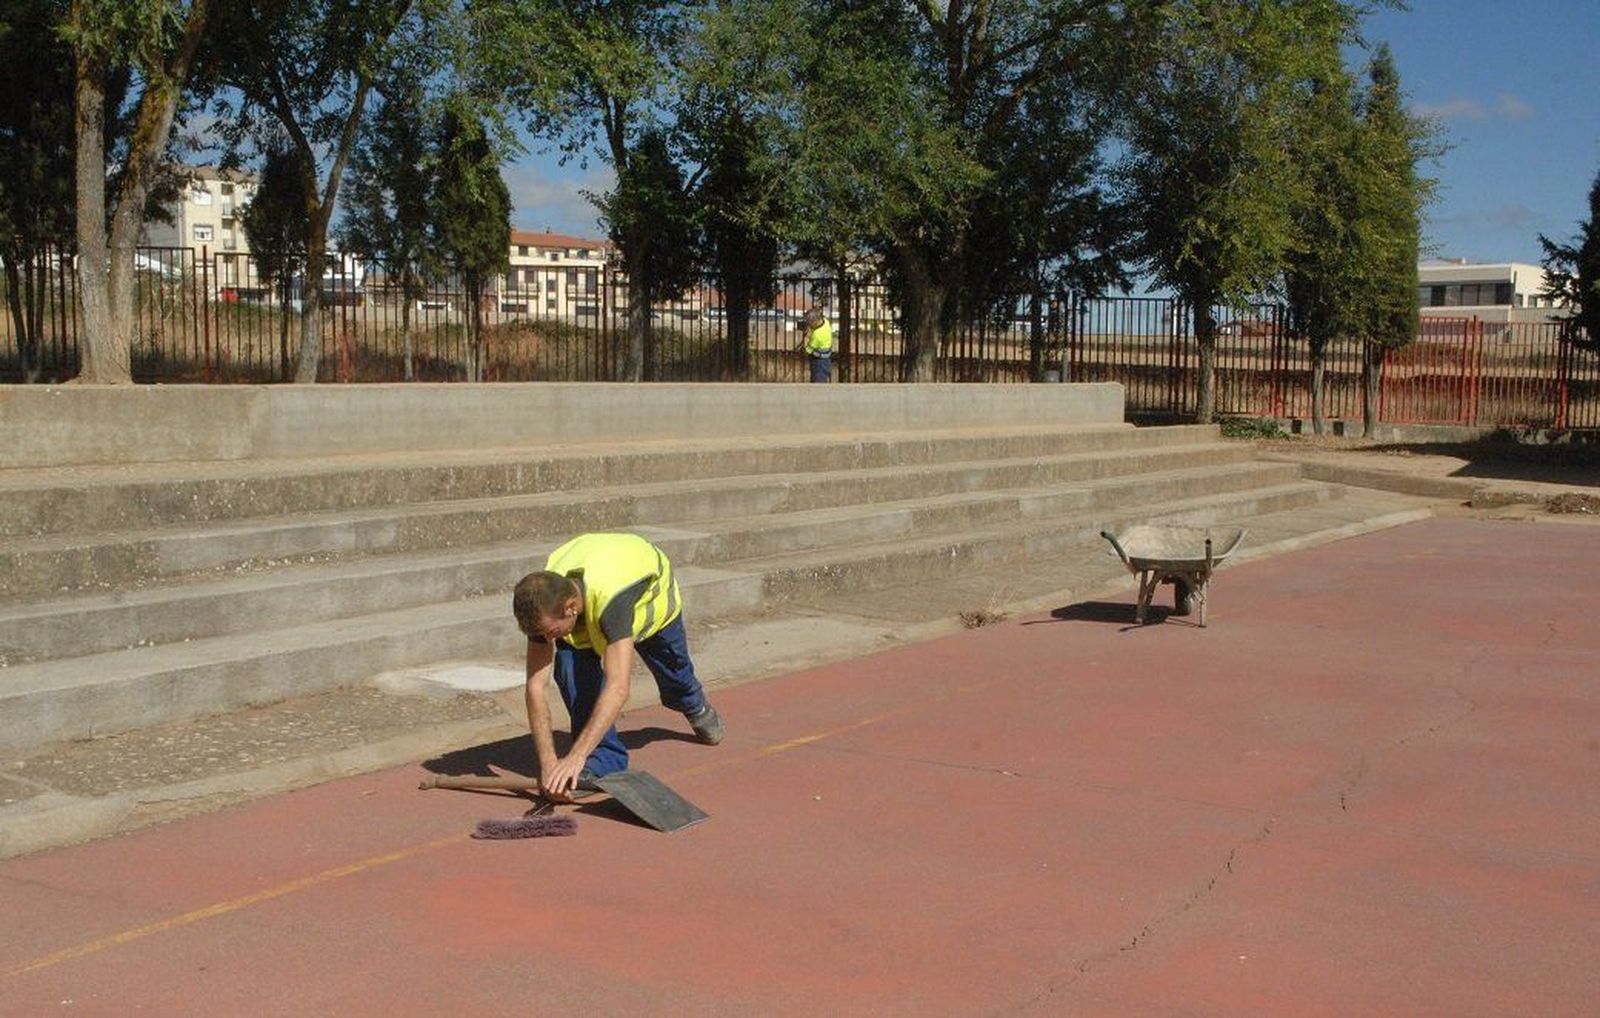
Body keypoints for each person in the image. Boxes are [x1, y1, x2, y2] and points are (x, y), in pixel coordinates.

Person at [512, 532, 724, 801]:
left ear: (570, 608)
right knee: (569, 669)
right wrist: (549, 763)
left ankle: (694, 704)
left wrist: (575, 756)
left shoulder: (612, 601)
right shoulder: (542, 605)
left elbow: (618, 687)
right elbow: (535, 688)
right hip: (595, 593)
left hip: (651, 605)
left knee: (676, 680)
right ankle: (604, 758)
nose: (546, 640)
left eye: (551, 632)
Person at [798, 307, 834, 383]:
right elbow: (814, 328)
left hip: (819, 362)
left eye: (809, 322)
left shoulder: (817, 336)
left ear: (814, 321)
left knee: (818, 384)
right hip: (826, 359)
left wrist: (805, 340)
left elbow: (808, 351)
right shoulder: (826, 322)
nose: (808, 324)